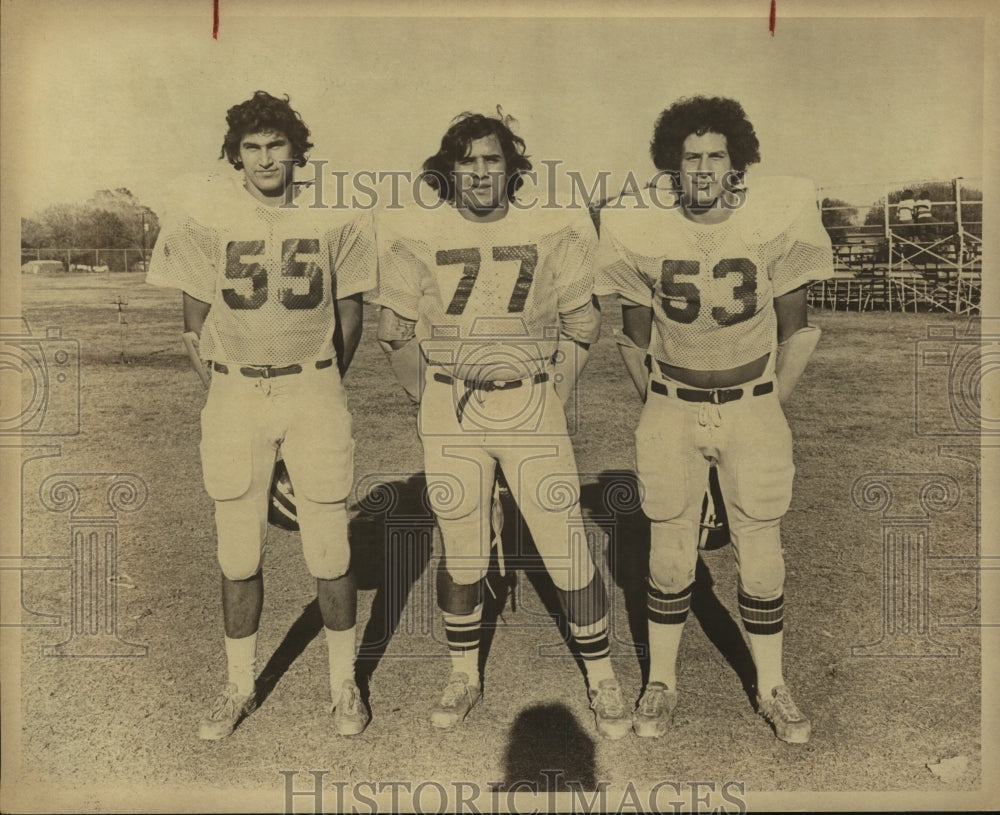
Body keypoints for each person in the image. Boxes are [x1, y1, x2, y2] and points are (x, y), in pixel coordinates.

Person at [373, 110, 631, 739]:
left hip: (531, 402)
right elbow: (391, 333)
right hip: (451, 406)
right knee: (460, 547)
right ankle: (463, 672)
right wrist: (431, 397)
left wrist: (551, 391)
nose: (481, 172)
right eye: (467, 161)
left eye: (493, 160)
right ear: (449, 169)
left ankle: (601, 676)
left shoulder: (551, 231)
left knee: (564, 540)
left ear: (511, 168)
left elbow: (584, 324)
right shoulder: (417, 236)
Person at [596, 95, 834, 743]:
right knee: (670, 555)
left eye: (715, 156)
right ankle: (661, 683)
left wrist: (764, 404)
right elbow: (633, 341)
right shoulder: (645, 231)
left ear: (737, 162)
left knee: (761, 555)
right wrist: (665, 408)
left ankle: (772, 685)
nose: (702, 168)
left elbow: (797, 330)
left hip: (752, 403)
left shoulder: (772, 225)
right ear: (672, 164)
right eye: (690, 156)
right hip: (673, 405)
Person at [146, 90, 377, 740]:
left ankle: (343, 686)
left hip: (313, 389)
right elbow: (193, 328)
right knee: (238, 549)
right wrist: (227, 389)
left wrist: (320, 383)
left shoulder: (337, 215)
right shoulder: (206, 216)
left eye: (277, 144)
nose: (266, 157)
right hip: (235, 395)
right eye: (253, 147)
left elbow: (351, 315)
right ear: (235, 155)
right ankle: (239, 686)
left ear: (296, 150)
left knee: (329, 543)